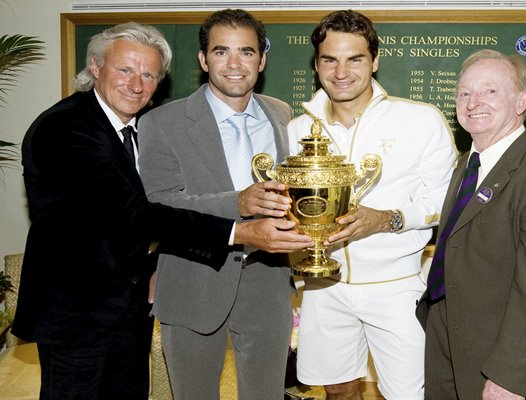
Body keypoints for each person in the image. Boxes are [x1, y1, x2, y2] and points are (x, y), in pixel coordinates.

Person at [12, 22, 312, 400]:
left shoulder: (128, 128)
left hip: (130, 304)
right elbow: (137, 211)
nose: (137, 84)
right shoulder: (67, 128)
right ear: (95, 67)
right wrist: (237, 225)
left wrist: (154, 267)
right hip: (79, 311)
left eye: (149, 74)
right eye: (125, 70)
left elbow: (131, 224)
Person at [137, 9, 309, 400]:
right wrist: (239, 202)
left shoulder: (281, 114)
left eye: (246, 52)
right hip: (193, 279)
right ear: (203, 59)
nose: (234, 64)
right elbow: (160, 205)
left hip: (268, 282)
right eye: (221, 52)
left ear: (261, 60)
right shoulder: (161, 123)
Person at [288, 10, 457, 400]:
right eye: (330, 59)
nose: (341, 71)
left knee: (410, 395)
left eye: (355, 58)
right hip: (322, 286)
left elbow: (442, 202)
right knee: (338, 393)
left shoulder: (421, 120)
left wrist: (387, 219)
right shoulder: (297, 130)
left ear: (375, 60)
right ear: (316, 65)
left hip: (395, 286)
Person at [419, 49, 526, 400]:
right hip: (449, 347)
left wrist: (509, 378)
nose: (473, 102)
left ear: (522, 101)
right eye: (464, 92)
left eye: (490, 91)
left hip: (504, 366)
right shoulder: (466, 165)